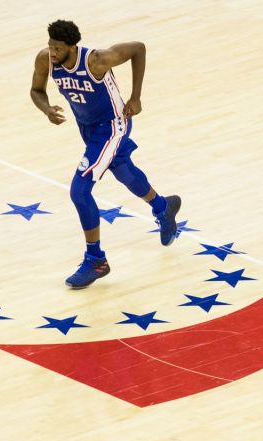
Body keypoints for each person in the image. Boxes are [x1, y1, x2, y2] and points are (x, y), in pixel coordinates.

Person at [29, 19, 181, 289]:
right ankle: (163, 207)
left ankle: (96, 260)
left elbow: (138, 48)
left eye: (58, 48)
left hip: (113, 125)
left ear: (72, 47)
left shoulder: (97, 60)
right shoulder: (45, 59)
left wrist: (136, 97)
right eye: (50, 46)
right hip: (87, 127)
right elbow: (36, 90)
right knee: (123, 170)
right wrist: (46, 109)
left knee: (80, 190)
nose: (52, 52)